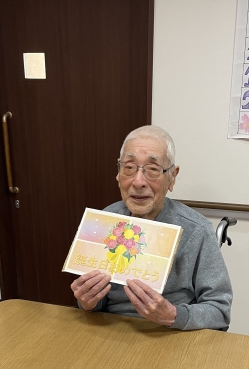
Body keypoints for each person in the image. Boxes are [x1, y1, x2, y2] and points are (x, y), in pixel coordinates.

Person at [71, 125, 232, 330]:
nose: (138, 182)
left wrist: (173, 315)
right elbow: (96, 303)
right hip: (111, 330)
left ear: (172, 177)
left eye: (153, 169)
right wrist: (89, 301)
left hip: (171, 333)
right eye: (129, 167)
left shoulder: (197, 230)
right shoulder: (105, 221)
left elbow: (220, 311)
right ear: (118, 173)